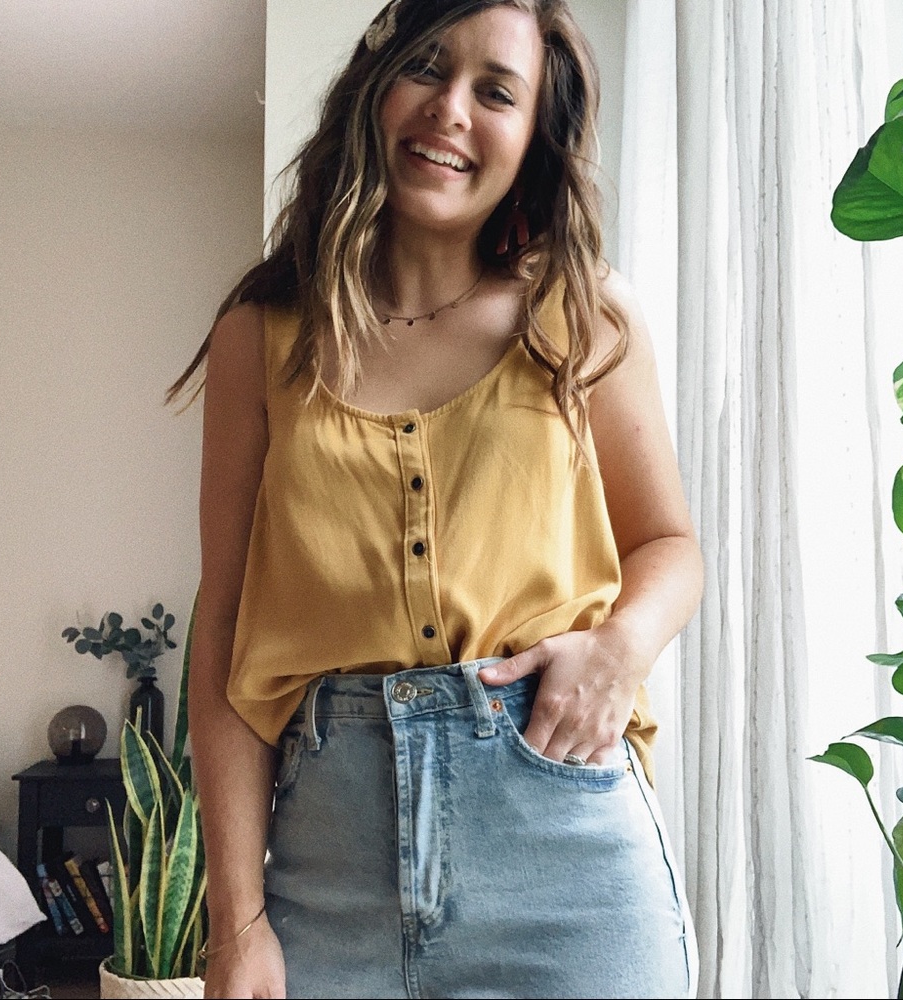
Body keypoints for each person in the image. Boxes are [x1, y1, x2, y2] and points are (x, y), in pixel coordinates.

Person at [170, 1, 703, 997]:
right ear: (376, 91)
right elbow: (226, 631)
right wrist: (236, 916)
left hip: (565, 861)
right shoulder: (264, 334)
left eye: (495, 91)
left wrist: (619, 648)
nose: (450, 109)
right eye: (426, 67)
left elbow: (670, 543)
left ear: (530, 136)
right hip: (328, 874)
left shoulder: (582, 314)